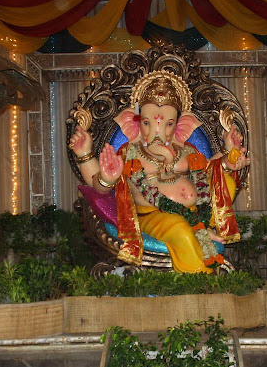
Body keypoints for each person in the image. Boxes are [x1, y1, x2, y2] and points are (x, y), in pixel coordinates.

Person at [69, 70, 250, 273]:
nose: (158, 132)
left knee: (226, 181)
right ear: (135, 122)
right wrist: (88, 157)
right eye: (147, 123)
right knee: (181, 231)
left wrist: (229, 156)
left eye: (168, 124)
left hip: (196, 212)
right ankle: (201, 279)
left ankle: (202, 227)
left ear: (180, 125)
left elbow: (210, 169)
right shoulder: (130, 154)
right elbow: (99, 188)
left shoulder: (186, 150)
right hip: (154, 215)